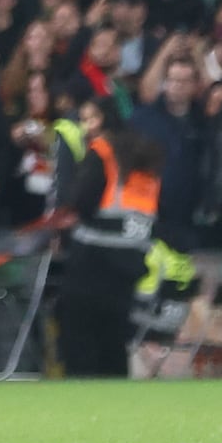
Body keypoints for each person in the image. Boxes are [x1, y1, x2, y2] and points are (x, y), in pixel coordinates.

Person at [50, 109, 156, 378]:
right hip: (130, 260)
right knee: (115, 342)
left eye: (91, 119)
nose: (86, 127)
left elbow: (82, 199)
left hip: (93, 259)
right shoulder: (147, 156)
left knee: (80, 337)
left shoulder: (102, 152)